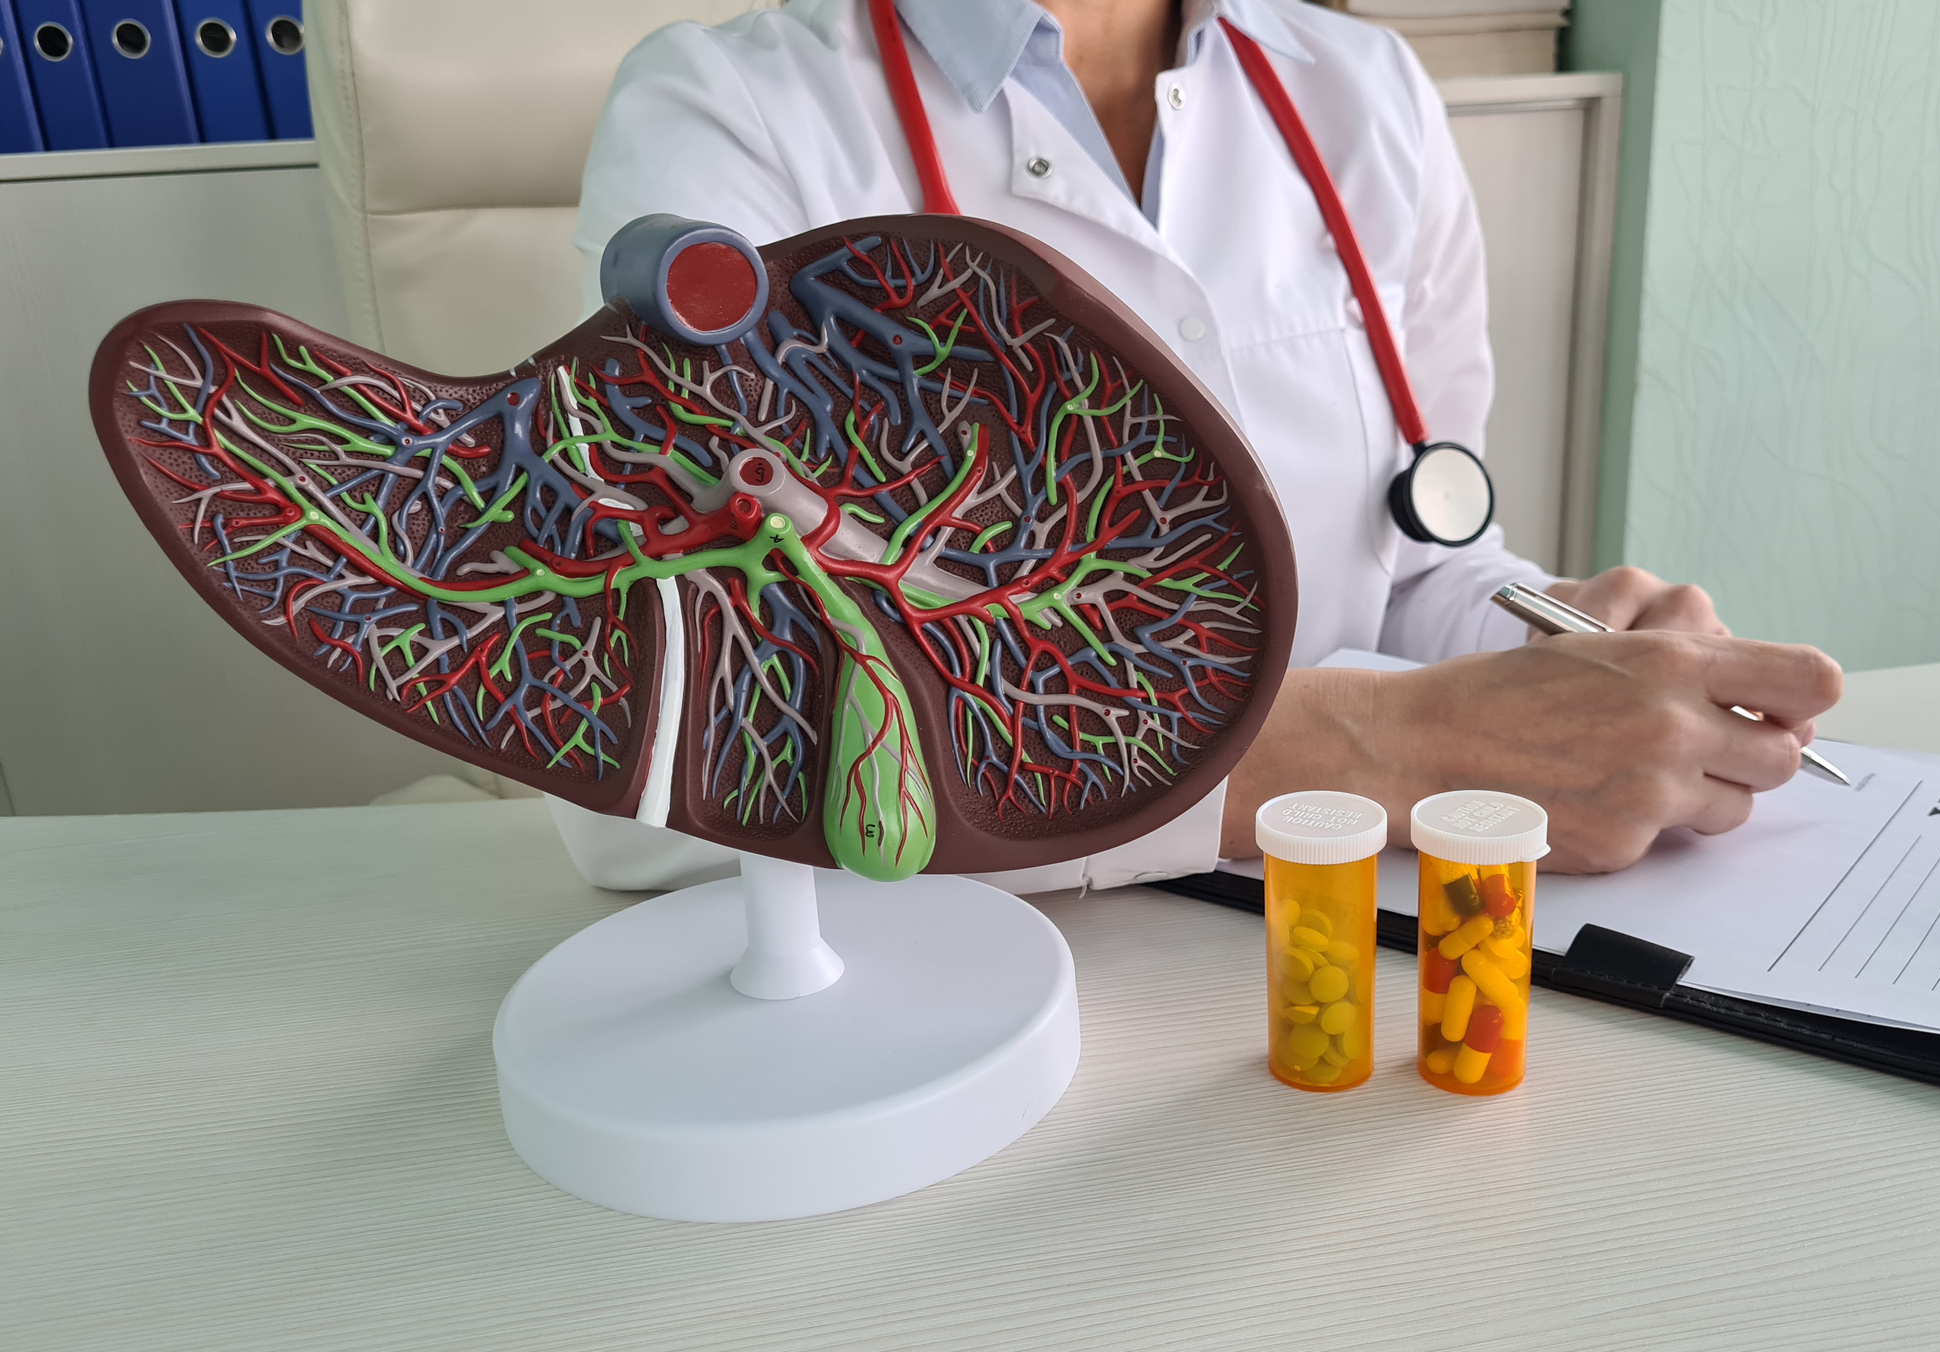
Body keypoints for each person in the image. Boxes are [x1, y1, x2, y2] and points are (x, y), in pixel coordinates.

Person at [554, 0, 1841, 892]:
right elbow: (670, 744)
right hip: (971, 993)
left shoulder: (1364, 90)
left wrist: (1546, 650)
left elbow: (1408, 565)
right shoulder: (733, 118)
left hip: (1331, 935)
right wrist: (1408, 745)